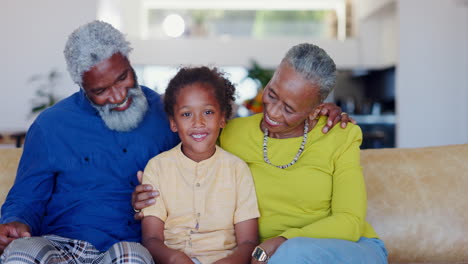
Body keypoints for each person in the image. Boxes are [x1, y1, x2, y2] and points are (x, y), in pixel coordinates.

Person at [134, 43, 388, 263]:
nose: (273, 112)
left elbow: (350, 221)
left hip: (344, 251)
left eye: (289, 108)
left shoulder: (340, 135)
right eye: (272, 94)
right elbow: (186, 157)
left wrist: (280, 242)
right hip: (266, 257)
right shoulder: (232, 132)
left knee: (293, 254)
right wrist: (143, 199)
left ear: (315, 110)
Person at [0, 20, 179, 263]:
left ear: (129, 62)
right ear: (82, 86)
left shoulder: (166, 114)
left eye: (123, 77)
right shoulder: (51, 125)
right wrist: (15, 223)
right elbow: (27, 197)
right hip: (60, 242)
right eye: (101, 91)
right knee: (19, 255)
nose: (119, 96)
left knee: (133, 258)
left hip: (129, 245)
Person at [141, 66, 259, 264]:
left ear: (222, 118)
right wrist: (175, 258)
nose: (198, 122)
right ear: (173, 122)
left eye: (208, 112)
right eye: (186, 114)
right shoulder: (157, 168)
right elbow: (151, 239)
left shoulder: (237, 170)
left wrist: (229, 262)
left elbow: (248, 241)